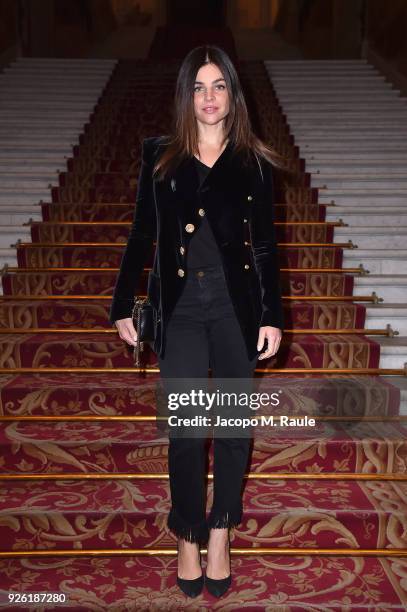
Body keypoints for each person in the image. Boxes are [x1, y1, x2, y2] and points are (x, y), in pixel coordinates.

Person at [109, 44, 286, 599]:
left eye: (218, 86)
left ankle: (220, 532)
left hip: (236, 313)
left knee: (232, 430)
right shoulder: (160, 156)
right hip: (181, 312)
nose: (209, 98)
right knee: (186, 433)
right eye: (198, 88)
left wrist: (272, 316)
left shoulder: (252, 162)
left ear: (233, 95)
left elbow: (264, 250)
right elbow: (143, 235)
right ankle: (187, 529)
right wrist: (121, 303)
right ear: (186, 96)